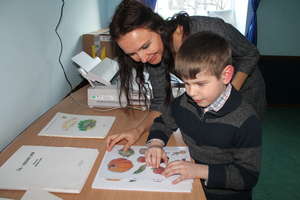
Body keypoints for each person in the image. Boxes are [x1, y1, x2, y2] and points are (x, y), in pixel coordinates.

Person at [106, 0, 266, 151]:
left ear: (158, 28)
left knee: (236, 150)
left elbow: (250, 54)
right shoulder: (155, 56)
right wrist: (137, 130)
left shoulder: (208, 28)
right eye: (132, 53)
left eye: (145, 46)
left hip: (244, 89)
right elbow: (161, 102)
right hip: (209, 100)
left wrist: (228, 95)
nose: (142, 58)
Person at [145, 31, 262, 200]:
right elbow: (163, 121)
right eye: (186, 83)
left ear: (226, 75)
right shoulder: (184, 102)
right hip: (192, 185)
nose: (191, 92)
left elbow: (247, 176)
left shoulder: (246, 121)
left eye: (200, 83)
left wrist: (199, 170)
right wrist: (155, 143)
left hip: (225, 195)